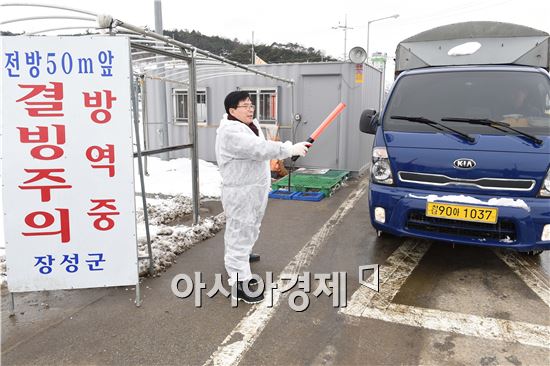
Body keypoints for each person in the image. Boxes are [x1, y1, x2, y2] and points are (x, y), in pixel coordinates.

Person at [215, 91, 311, 303]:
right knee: (240, 230)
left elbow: (261, 148)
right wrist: (288, 148)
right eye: (245, 106)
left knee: (251, 226)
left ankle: (242, 255)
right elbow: (258, 149)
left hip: (254, 188)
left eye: (251, 105)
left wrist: (286, 150)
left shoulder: (250, 125)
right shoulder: (230, 132)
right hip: (240, 191)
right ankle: (239, 281)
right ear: (232, 111)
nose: (251, 109)